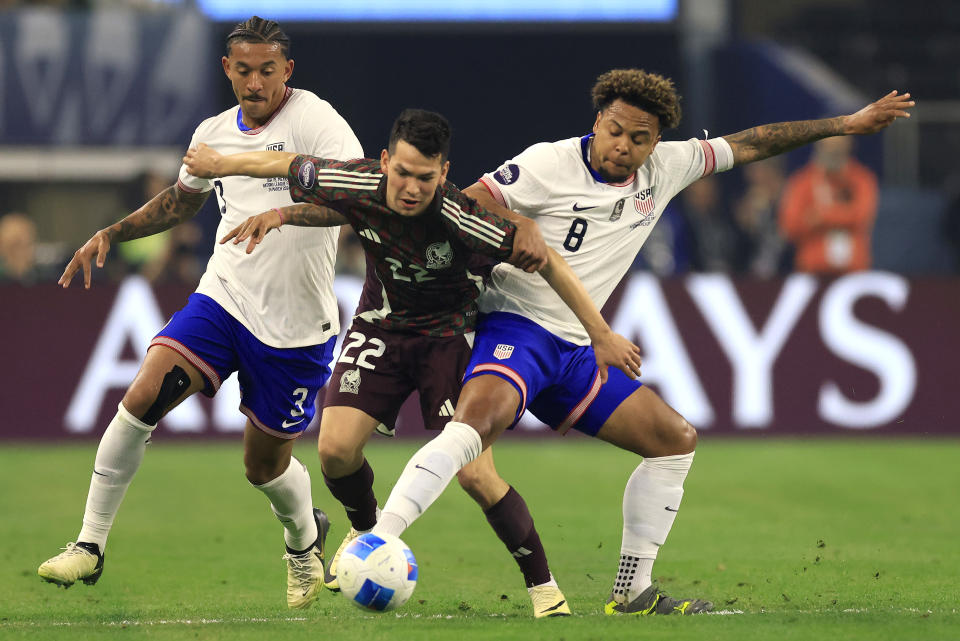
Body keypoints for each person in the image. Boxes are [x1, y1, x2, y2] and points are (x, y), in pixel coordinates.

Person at [365, 71, 914, 616]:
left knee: (675, 440)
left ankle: (632, 591)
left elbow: (752, 141)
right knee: (476, 426)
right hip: (514, 324)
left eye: (639, 138)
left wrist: (845, 123)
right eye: (615, 131)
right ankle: (380, 539)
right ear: (597, 122)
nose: (623, 147)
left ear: (655, 142)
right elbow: (467, 200)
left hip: (578, 348)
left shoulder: (668, 167)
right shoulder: (547, 163)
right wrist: (515, 224)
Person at [182, 108, 643, 618]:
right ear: (384, 163)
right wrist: (224, 165)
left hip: (449, 339)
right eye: (401, 173)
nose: (410, 188)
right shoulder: (356, 179)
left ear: (444, 174)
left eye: (426, 178)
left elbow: (550, 260)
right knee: (333, 451)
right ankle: (364, 530)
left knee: (475, 475)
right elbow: (290, 164)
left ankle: (544, 591)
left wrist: (599, 333)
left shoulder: (464, 217)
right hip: (381, 325)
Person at [37, 16, 364, 610]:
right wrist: (113, 230)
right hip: (224, 297)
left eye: (268, 70)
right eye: (244, 70)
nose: (256, 83)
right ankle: (90, 544)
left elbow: (356, 194)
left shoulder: (316, 120)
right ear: (227, 70)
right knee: (141, 395)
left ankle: (304, 537)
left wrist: (285, 214)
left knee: (263, 466)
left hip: (296, 326)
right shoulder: (214, 132)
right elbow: (182, 201)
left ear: (286, 70)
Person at [778, 135, 879, 274]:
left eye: (838, 148)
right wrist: (844, 215)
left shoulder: (862, 179)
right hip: (812, 271)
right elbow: (789, 226)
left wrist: (822, 216)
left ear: (848, 147)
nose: (833, 153)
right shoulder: (802, 182)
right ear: (819, 148)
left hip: (854, 271)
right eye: (829, 148)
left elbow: (862, 217)